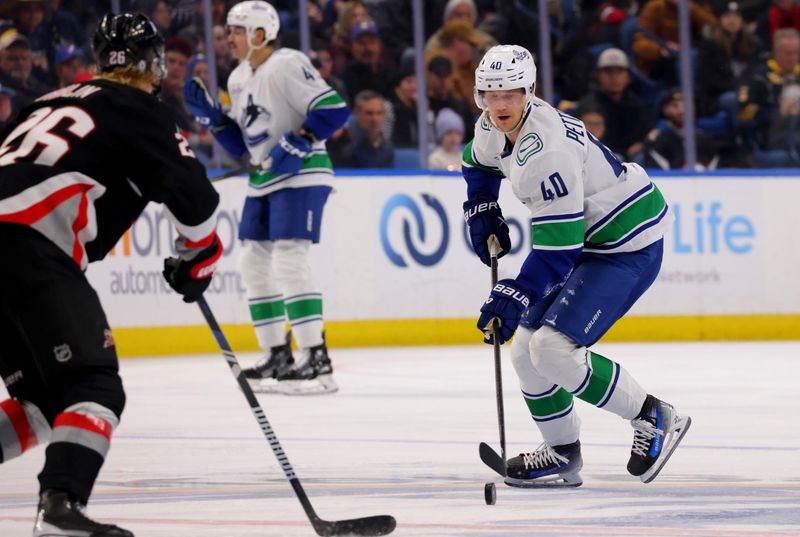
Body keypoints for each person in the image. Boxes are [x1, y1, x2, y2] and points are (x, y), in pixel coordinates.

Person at [0, 12, 222, 537]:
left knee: (41, 403)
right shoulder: (141, 109)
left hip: (14, 241)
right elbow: (198, 203)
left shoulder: (46, 102)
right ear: (152, 64)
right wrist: (198, 262)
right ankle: (61, 508)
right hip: (26, 243)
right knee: (92, 382)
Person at [462, 44, 691, 487]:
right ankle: (562, 452)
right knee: (524, 351)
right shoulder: (492, 125)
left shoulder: (547, 151)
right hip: (586, 238)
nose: (500, 104)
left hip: (626, 244)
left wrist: (513, 292)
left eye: (510, 93)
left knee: (552, 349)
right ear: (479, 96)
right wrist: (481, 205)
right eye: (490, 94)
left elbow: (558, 252)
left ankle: (652, 414)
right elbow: (478, 161)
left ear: (529, 91)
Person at [184, 0, 349, 395]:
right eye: (228, 31)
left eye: (236, 31)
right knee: (253, 261)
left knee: (289, 258)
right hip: (265, 178)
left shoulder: (287, 63)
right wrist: (212, 119)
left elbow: (333, 110)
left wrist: (301, 141)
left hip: (302, 173)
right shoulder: (239, 78)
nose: (229, 38)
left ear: (260, 33)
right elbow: (243, 146)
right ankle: (278, 353)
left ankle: (317, 358)